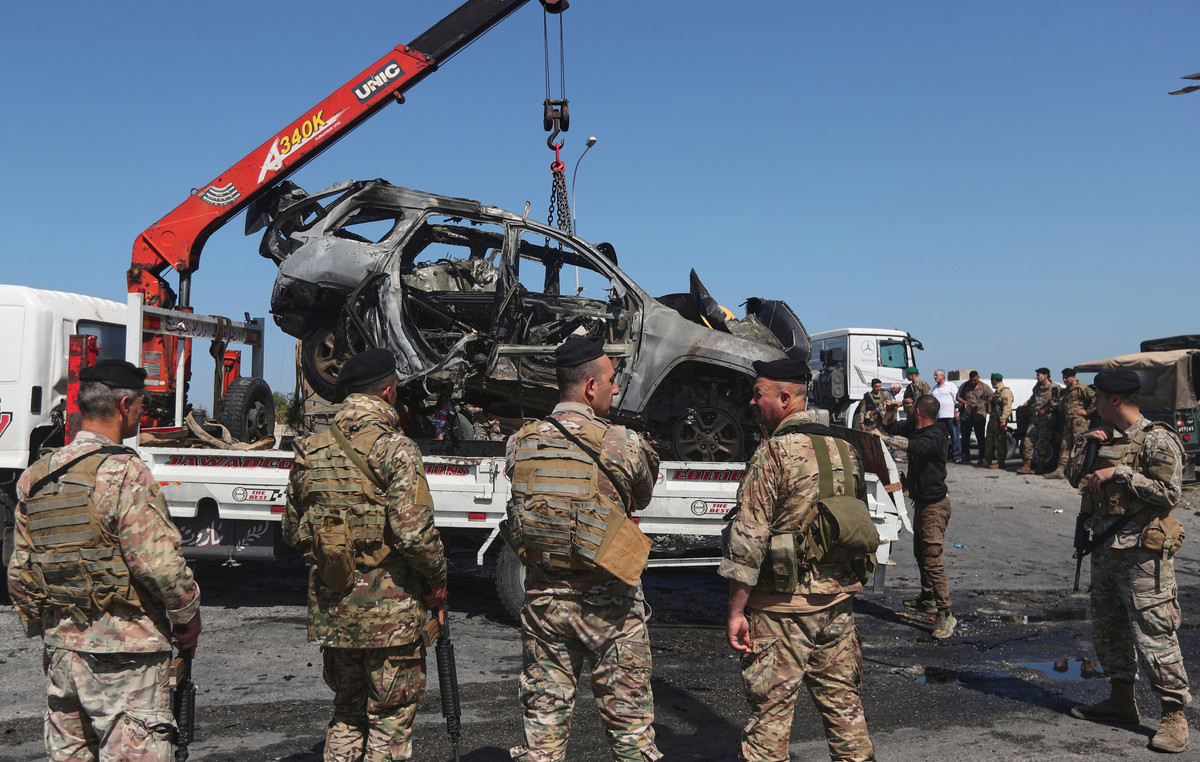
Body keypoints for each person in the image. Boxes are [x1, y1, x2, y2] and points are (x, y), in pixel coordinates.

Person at [7, 359, 202, 761]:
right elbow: (159, 566)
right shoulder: (125, 472)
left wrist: (50, 635)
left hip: (64, 654)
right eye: (141, 406)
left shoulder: (35, 477)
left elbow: (21, 575)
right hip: (126, 659)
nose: (142, 414)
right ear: (124, 405)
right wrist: (188, 617)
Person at [283, 348, 448, 761]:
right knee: (389, 719)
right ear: (389, 392)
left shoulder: (310, 450)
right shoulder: (396, 450)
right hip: (390, 617)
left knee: (346, 713)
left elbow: (292, 533)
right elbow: (414, 535)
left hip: (335, 610)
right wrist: (438, 580)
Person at [505, 335, 662, 762]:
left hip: (545, 606)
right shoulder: (622, 442)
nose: (616, 388)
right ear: (591, 387)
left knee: (543, 732)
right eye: (611, 380)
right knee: (631, 732)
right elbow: (643, 495)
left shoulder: (520, 442)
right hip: (611, 609)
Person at [720, 357, 875, 762]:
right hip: (836, 605)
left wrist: (735, 610)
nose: (752, 403)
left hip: (780, 610)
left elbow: (748, 540)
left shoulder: (773, 453)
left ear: (785, 398)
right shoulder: (846, 449)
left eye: (759, 395)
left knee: (769, 724)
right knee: (846, 712)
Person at [1067, 369, 1190, 753]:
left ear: (1115, 400)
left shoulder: (1157, 439)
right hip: (1106, 551)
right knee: (1110, 631)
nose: (1094, 404)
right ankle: (1121, 700)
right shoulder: (1107, 437)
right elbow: (1075, 479)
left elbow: (1170, 494)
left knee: (1155, 634)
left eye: (1098, 398)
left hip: (1142, 557)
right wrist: (1087, 444)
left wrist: (1120, 473)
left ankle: (1174, 716)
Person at [876, 395, 957, 639]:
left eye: (913, 410)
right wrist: (890, 411)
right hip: (922, 504)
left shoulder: (936, 434)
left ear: (919, 411)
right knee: (921, 554)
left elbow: (915, 447)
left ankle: (946, 614)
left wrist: (884, 439)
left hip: (935, 507)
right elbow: (890, 426)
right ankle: (928, 598)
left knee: (933, 560)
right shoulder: (916, 428)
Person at [1045, 367, 1096, 480]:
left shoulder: (1082, 388)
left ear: (1073, 377)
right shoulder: (1067, 390)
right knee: (1065, 445)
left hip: (1079, 422)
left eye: (1067, 377)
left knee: (1079, 446)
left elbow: (1095, 399)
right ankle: (1060, 470)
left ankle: (1080, 471)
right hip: (1068, 421)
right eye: (1063, 378)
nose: (1064, 380)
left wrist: (1087, 411)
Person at [1016, 367, 1062, 474]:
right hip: (1035, 419)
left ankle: (1040, 466)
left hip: (1046, 420)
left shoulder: (1055, 388)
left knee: (1042, 442)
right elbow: (1034, 397)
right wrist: (1028, 403)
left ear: (1045, 375)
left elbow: (1058, 402)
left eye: (1038, 375)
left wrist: (1046, 409)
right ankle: (1027, 465)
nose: (1036, 377)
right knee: (1027, 440)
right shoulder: (1037, 387)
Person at [956, 370, 993, 464]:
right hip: (967, 415)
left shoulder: (984, 387)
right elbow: (958, 397)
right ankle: (966, 456)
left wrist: (986, 401)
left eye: (975, 380)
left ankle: (982, 457)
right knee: (965, 437)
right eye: (971, 380)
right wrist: (963, 402)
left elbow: (992, 397)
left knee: (980, 438)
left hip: (979, 414)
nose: (973, 382)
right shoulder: (965, 386)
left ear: (978, 378)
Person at [979, 372, 1014, 469]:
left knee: (1000, 441)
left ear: (994, 380)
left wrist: (1003, 419)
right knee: (989, 441)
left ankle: (1001, 462)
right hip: (993, 420)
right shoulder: (996, 393)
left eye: (992, 380)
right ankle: (988, 461)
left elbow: (1007, 407)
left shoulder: (1005, 391)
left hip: (999, 420)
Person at [930, 369, 962, 463]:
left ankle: (957, 455)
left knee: (954, 436)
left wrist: (957, 412)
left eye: (936, 375)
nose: (935, 377)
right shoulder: (934, 389)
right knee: (942, 437)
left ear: (942, 376)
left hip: (950, 416)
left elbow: (956, 400)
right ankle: (944, 455)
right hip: (939, 417)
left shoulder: (950, 386)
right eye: (934, 375)